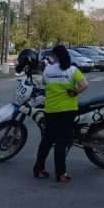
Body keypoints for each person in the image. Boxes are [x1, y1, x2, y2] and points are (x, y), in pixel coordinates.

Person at [33, 44, 88, 182]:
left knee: (46, 141)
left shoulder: (47, 69)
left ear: (55, 56)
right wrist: (74, 92)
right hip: (67, 111)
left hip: (51, 110)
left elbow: (45, 84)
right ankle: (61, 173)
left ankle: (38, 169)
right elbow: (85, 85)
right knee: (61, 142)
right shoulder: (72, 70)